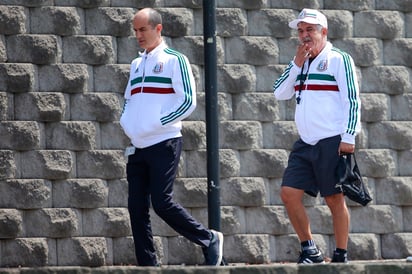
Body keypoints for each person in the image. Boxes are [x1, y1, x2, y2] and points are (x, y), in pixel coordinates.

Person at [120, 8, 223, 266]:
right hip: (138, 145)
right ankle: (148, 265)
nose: (138, 35)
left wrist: (156, 123)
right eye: (135, 30)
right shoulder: (136, 64)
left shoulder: (175, 60)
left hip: (164, 142)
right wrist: (128, 124)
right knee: (136, 208)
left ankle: (208, 239)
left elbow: (187, 100)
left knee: (162, 202)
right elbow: (128, 100)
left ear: (158, 29)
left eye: (143, 29)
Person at [273, 8, 361, 264]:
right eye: (300, 31)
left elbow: (352, 100)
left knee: (334, 198)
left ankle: (341, 254)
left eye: (310, 30)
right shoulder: (300, 62)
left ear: (324, 32)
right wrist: (296, 64)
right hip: (305, 142)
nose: (304, 35)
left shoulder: (338, 59)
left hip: (332, 140)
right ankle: (310, 249)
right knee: (289, 193)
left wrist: (349, 137)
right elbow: (280, 93)